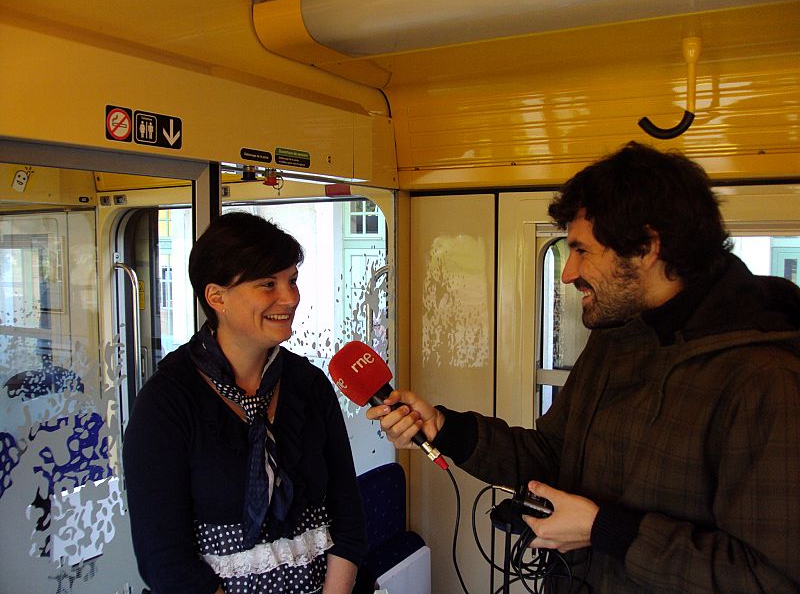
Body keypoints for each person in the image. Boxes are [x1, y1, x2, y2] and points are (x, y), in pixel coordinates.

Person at [368, 142, 800, 592]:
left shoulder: (767, 379)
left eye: (581, 250)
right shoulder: (617, 338)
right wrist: (447, 430)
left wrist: (606, 530)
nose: (567, 273)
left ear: (648, 247)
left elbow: (773, 577)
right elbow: (558, 456)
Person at [124, 212, 366, 593]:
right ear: (216, 297)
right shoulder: (166, 402)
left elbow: (348, 516)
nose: (290, 298)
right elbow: (164, 560)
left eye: (292, 280)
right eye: (268, 284)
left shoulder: (308, 384)